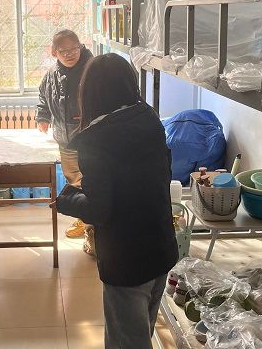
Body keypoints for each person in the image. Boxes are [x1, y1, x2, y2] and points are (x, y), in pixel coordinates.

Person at [55, 53, 178, 349]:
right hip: (161, 249)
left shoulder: (96, 139)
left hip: (127, 259)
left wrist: (66, 200)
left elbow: (99, 210)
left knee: (126, 342)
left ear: (90, 92)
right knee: (140, 334)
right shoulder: (149, 118)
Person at [35, 29, 93, 242]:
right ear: (54, 52)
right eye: (64, 51)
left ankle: (92, 226)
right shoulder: (52, 73)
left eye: (74, 49)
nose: (70, 54)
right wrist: (43, 117)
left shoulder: (91, 69)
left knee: (91, 182)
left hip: (89, 140)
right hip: (65, 140)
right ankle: (83, 220)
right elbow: (43, 96)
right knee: (74, 181)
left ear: (81, 47)